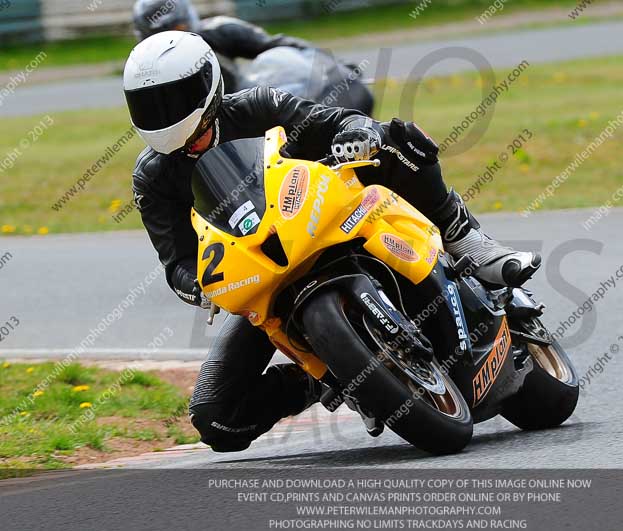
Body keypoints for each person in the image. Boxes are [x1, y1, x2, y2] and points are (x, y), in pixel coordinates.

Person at [124, 31, 540, 452]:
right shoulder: (152, 177)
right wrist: (198, 286)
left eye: (173, 99)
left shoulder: (258, 105)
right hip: (262, 267)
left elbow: (335, 121)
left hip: (320, 216)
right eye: (150, 104)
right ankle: (322, 376)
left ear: (206, 84)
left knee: (400, 140)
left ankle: (463, 237)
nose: (164, 114)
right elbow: (176, 259)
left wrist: (356, 131)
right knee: (216, 419)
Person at [133, 0, 310, 92]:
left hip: (245, 111)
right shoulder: (143, 70)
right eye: (162, 36)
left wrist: (316, 61)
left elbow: (274, 44)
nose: (173, 40)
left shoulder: (220, 30)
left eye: (179, 29)